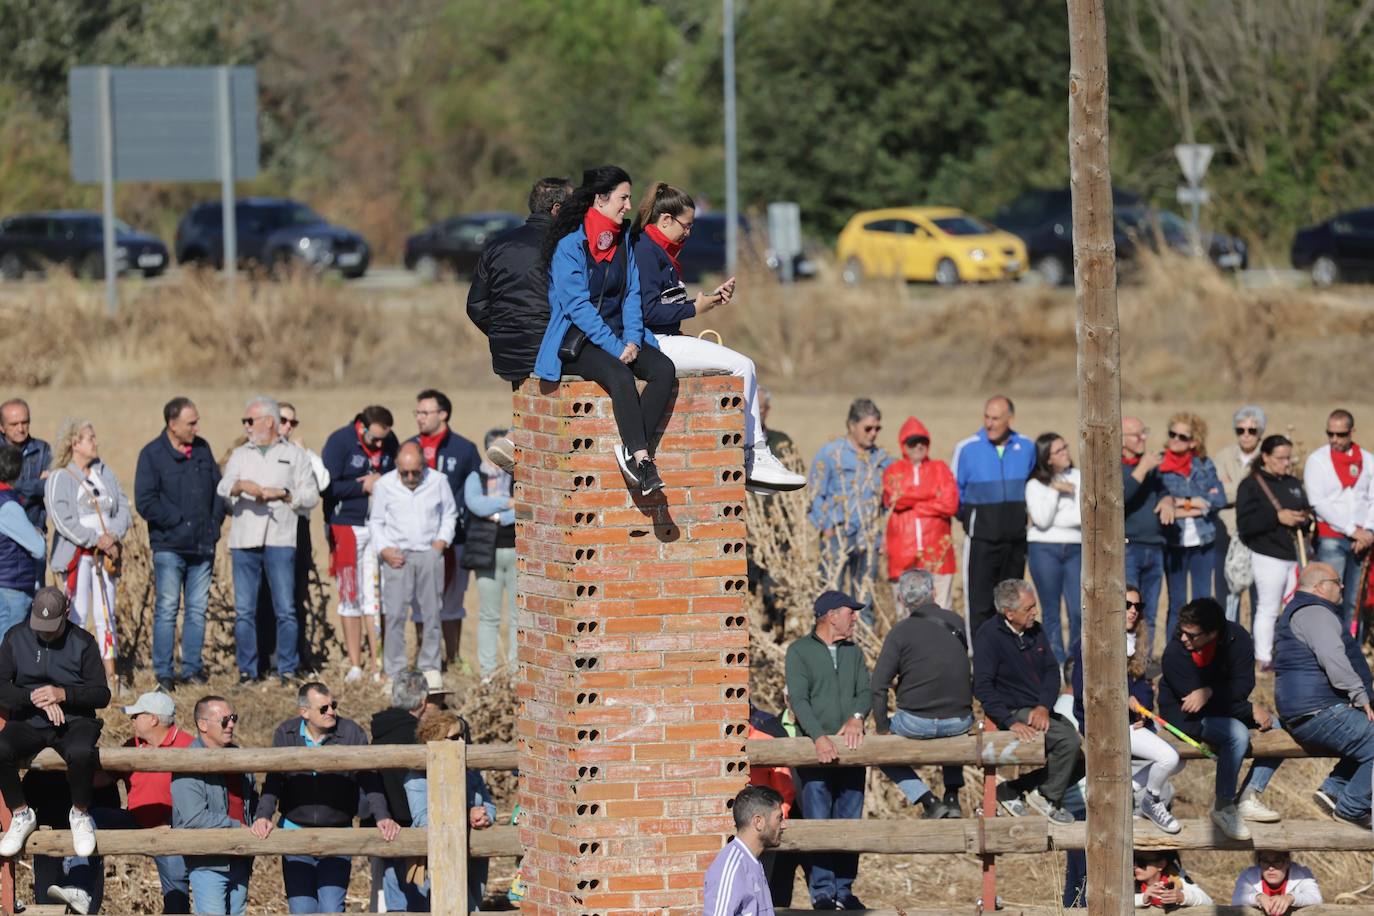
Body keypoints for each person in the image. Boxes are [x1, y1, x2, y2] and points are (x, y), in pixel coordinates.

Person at [631, 181, 805, 493]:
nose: (689, 233)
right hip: (652, 342)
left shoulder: (660, 251)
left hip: (662, 338)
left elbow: (665, 307)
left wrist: (706, 302)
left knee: (741, 365)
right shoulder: (646, 251)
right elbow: (646, 313)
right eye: (686, 225)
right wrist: (695, 308)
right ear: (665, 220)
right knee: (743, 366)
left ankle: (754, 457)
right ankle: (754, 458)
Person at [534, 165, 676, 496]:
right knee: (621, 377)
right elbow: (578, 308)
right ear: (600, 199)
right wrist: (616, 348)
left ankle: (631, 448)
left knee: (663, 369)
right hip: (579, 340)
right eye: (623, 198)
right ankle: (642, 459)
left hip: (620, 335)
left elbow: (631, 293)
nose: (629, 206)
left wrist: (632, 338)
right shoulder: (570, 246)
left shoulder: (624, 240)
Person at [252, 682, 399, 913]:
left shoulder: (351, 732)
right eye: (323, 708)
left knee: (332, 908)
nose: (331, 711)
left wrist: (382, 816)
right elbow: (274, 779)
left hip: (338, 832)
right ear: (304, 712)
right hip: (294, 832)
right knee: (302, 909)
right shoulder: (286, 733)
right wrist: (263, 815)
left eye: (333, 705)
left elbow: (369, 778)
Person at [1158, 597, 1283, 840]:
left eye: (1192, 635)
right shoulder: (1175, 652)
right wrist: (1247, 710)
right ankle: (1224, 805)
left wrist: (1211, 691)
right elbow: (1194, 706)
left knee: (1276, 727)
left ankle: (1248, 796)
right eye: (1181, 631)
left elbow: (1244, 684)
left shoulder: (1238, 638)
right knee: (1236, 733)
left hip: (1224, 707)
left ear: (1213, 632)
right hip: (1184, 716)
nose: (1184, 638)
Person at [0, 588, 109, 860]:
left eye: (52, 627)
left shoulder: (84, 642)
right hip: (29, 717)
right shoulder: (16, 636)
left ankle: (81, 813)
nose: (45, 633)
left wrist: (63, 694)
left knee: (83, 753)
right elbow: (1, 686)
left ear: (67, 614)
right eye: (40, 626)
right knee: (0, 748)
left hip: (73, 720)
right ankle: (21, 812)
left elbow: (101, 694)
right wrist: (34, 697)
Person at [218, 396, 320, 685]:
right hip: (244, 539)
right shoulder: (241, 454)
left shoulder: (295, 455)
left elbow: (311, 495)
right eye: (245, 422)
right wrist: (240, 486)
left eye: (250, 421)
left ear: (269, 422)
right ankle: (248, 671)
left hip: (280, 538)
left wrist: (286, 494)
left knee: (285, 607)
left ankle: (286, 668)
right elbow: (222, 486)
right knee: (245, 610)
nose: (246, 426)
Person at [1070, 585, 1183, 834]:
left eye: (1137, 606)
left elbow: (1142, 690)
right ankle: (1151, 801)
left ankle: (1126, 786)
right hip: (1105, 725)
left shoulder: (1137, 645)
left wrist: (1140, 714)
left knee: (1178, 762)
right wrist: (1122, 699)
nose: (1133, 611)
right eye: (1127, 605)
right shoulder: (1090, 642)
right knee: (1169, 758)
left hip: (1130, 724)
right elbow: (1082, 692)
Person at [783, 590, 870, 910]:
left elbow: (866, 692)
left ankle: (844, 890)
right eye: (851, 612)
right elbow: (799, 700)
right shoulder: (799, 651)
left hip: (853, 753)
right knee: (818, 822)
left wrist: (856, 719)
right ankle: (822, 891)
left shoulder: (854, 653)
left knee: (849, 822)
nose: (856, 618)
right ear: (831, 615)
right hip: (813, 755)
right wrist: (818, 738)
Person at [972, 579, 1082, 824]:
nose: (1035, 612)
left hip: (1039, 709)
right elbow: (982, 687)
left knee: (1083, 758)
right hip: (1012, 710)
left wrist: (1044, 706)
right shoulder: (988, 637)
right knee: (1068, 741)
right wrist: (1010, 721)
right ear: (1009, 613)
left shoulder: (1036, 631)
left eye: (1034, 606)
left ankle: (1016, 790)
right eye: (1029, 608)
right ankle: (1046, 796)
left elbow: (1053, 671)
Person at [1274, 562, 1374, 827]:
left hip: (1311, 708)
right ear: (1320, 586)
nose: (1342, 586)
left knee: (1365, 742)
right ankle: (1352, 808)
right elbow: (1334, 659)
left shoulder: (1303, 611)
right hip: (1320, 710)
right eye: (1337, 581)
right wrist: (1360, 696)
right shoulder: (1316, 612)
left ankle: (1334, 790)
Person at [135, 396, 224, 692]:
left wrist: (213, 526)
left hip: (202, 547)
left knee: (197, 610)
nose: (196, 427)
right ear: (173, 425)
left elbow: (218, 490)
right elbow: (145, 501)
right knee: (167, 608)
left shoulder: (202, 450)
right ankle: (163, 672)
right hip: (169, 547)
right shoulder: (151, 455)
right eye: (191, 422)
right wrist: (179, 521)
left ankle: (192, 669)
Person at [872, 569, 972, 819]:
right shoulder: (956, 622)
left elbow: (878, 685)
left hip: (916, 723)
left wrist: (883, 727)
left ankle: (928, 801)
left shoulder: (900, 632)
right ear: (934, 592)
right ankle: (952, 795)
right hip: (959, 721)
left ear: (902, 600)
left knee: (879, 751)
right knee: (950, 720)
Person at [46, 417, 131, 691]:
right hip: (77, 558)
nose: (95, 443)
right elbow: (62, 519)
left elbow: (123, 509)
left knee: (106, 613)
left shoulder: (103, 471)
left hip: (104, 557)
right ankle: (71, 674)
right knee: (77, 614)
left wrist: (111, 538)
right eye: (90, 438)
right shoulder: (60, 476)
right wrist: (96, 539)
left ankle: (111, 676)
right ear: (75, 443)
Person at [368, 441, 457, 681]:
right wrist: (384, 549)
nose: (409, 477)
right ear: (397, 466)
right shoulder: (385, 484)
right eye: (404, 472)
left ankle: (429, 667)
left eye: (415, 472)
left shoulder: (438, 481)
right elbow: (375, 521)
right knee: (395, 614)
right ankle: (395, 670)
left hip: (429, 553)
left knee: (431, 614)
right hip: (396, 556)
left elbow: (450, 513)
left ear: (424, 466)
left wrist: (440, 543)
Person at [323, 406, 399, 682]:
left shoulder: (390, 442)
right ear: (362, 428)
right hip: (347, 526)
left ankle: (379, 664)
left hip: (379, 527)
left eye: (384, 439)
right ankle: (355, 664)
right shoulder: (339, 441)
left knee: (375, 595)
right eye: (375, 439)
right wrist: (362, 486)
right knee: (349, 595)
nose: (381, 445)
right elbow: (327, 487)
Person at [951, 396, 1036, 636]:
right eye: (986, 417)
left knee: (1012, 604)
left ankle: (1009, 658)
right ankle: (979, 662)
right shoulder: (966, 448)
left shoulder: (1027, 447)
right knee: (980, 605)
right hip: (981, 541)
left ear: (1010, 419)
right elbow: (954, 493)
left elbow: (1034, 485)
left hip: (1015, 541)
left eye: (996, 418)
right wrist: (973, 519)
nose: (990, 423)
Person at [409, 389, 480, 667]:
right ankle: (424, 658)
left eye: (425, 412)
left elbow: (474, 491)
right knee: (419, 601)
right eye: (417, 413)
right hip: (419, 539)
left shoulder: (464, 448)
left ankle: (453, 658)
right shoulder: (409, 448)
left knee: (452, 600)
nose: (420, 418)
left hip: (456, 539)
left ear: (443, 414)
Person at [171, 695, 256, 916]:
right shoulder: (188, 762)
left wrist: (255, 825)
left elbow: (250, 802)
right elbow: (194, 817)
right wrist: (239, 828)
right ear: (202, 724)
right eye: (225, 720)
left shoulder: (240, 757)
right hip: (208, 861)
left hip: (240, 857)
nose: (231, 724)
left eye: (233, 718)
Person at [405, 711, 496, 912]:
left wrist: (485, 816)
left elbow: (489, 804)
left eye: (463, 735)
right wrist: (467, 814)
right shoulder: (416, 779)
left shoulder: (471, 772)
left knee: (473, 908)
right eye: (455, 737)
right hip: (439, 858)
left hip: (475, 855)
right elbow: (423, 819)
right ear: (436, 740)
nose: (462, 741)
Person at [808, 398, 893, 612]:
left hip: (868, 538)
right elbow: (815, 494)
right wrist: (825, 527)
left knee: (864, 600)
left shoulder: (881, 458)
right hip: (837, 534)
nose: (873, 433)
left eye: (877, 428)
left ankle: (863, 643)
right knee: (831, 597)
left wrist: (884, 533)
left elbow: (892, 497)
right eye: (868, 428)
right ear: (851, 425)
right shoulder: (830, 453)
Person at [115, 690, 194, 912]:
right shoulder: (132, 745)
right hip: (134, 820)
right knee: (89, 821)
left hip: (172, 828)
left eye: (136, 715)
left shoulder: (190, 747)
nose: (132, 720)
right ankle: (79, 889)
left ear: (153, 719)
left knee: (176, 887)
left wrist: (176, 824)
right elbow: (101, 779)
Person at [1237, 434, 1312, 667]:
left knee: (1294, 608)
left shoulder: (1292, 483)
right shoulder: (1251, 484)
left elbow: (1307, 512)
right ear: (1266, 457)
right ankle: (1264, 658)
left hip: (1294, 554)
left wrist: (1304, 519)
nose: (1286, 463)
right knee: (1268, 608)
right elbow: (1245, 524)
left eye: (1288, 458)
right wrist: (1276, 517)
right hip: (1267, 554)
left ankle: (1290, 653)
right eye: (1280, 458)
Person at [370, 669, 440, 912]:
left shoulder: (377, 732)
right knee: (420, 899)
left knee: (394, 899)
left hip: (384, 827)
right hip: (416, 829)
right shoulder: (420, 738)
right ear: (423, 702)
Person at [1304, 409, 1373, 638]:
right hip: (1331, 536)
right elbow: (1319, 502)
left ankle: (1352, 644)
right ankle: (1327, 643)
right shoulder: (1317, 460)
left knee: (1354, 599)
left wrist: (1369, 531)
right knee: (1329, 595)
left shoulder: (1368, 460)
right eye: (1330, 434)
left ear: (1352, 432)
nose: (1334, 439)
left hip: (1362, 539)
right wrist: (1353, 531)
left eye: (1340, 434)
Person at [1159, 412, 1226, 639]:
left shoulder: (1205, 465)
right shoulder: (1160, 465)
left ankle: (1204, 650)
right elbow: (1160, 506)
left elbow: (1219, 500)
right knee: (1176, 601)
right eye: (1172, 434)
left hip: (1203, 541)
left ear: (1194, 441)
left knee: (1202, 600)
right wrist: (1194, 504)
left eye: (1183, 436)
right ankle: (1173, 651)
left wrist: (1179, 504)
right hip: (1173, 542)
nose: (1175, 439)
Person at [882, 417, 958, 609]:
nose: (918, 446)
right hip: (903, 556)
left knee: (941, 611)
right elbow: (895, 499)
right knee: (905, 615)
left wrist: (915, 505)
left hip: (938, 556)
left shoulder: (940, 468)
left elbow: (950, 504)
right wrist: (931, 496)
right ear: (903, 445)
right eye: (912, 442)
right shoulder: (893, 470)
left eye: (922, 441)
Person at [277, 402, 330, 674]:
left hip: (299, 527)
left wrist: (304, 453)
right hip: (271, 528)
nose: (288, 427)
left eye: (293, 423)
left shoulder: (301, 453)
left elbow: (322, 482)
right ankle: (271, 656)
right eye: (284, 421)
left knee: (298, 595)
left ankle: (297, 656)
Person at [1025, 432, 1082, 665]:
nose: (1065, 453)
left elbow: (1082, 515)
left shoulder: (1079, 477)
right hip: (1043, 549)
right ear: (1047, 458)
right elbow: (1042, 519)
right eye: (1058, 451)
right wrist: (1055, 491)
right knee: (1051, 611)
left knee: (1078, 608)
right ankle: (1056, 663)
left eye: (1065, 447)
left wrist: (1064, 516)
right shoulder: (1035, 485)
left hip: (1076, 548)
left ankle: (1077, 660)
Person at [1123, 415, 1177, 659]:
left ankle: (1142, 664)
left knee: (1150, 611)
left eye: (1144, 432)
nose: (1143, 438)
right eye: (1137, 434)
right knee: (1126, 610)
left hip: (1155, 548)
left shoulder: (1152, 470)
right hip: (1129, 549)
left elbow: (1163, 490)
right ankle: (1123, 661)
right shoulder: (1114, 466)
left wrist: (1167, 500)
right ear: (1121, 440)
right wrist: (1142, 468)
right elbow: (1119, 498)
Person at [464, 429, 517, 676]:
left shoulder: (519, 476)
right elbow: (475, 503)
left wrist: (495, 515)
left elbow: (525, 507)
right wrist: (506, 505)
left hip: (516, 551)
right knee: (489, 615)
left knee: (518, 615)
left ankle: (516, 668)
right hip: (486, 552)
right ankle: (488, 672)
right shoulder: (476, 476)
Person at [702, 784, 785, 916]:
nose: (784, 825)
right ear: (758, 822)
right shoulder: (732, 867)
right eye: (779, 818)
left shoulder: (753, 861)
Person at [1216, 406, 1266, 620]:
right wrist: (1248, 490)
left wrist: (1231, 487)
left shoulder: (1268, 457)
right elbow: (1217, 495)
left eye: (1252, 430)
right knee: (1226, 595)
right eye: (1240, 430)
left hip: (1260, 535)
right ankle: (1230, 644)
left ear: (1261, 432)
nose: (1246, 435)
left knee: (1260, 597)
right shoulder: (1223, 456)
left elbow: (1267, 495)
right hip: (1227, 532)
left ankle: (1258, 648)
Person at [0, 444, 46, 632]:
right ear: (18, 471)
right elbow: (38, 547)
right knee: (9, 651)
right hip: (12, 587)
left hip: (6, 583)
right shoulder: (8, 507)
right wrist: (37, 533)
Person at [2, 397, 51, 532]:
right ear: (1, 427)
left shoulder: (43, 449)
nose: (21, 428)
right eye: (14, 424)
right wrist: (36, 485)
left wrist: (11, 489)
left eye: (25, 422)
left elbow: (50, 486)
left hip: (34, 530)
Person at [1232, 851, 1322, 913]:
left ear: (1287, 862)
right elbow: (1236, 899)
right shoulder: (1248, 874)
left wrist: (1290, 898)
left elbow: (1316, 898)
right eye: (1265, 861)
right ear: (1259, 862)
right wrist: (1258, 897)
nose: (1271, 868)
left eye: (1277, 861)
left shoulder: (1302, 873)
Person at [1134, 851, 1213, 908]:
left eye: (1141, 862)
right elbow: (1122, 902)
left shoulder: (1176, 877)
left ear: (1161, 864)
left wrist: (1182, 897)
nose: (1135, 866)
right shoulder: (1127, 878)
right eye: (1134, 860)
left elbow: (1208, 902)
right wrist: (1143, 898)